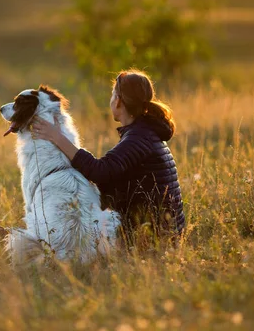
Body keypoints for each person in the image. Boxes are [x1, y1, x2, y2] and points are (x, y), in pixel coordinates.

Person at [31, 70, 185, 248]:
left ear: (118, 101)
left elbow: (100, 171)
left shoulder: (139, 137)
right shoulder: (144, 132)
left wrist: (57, 138)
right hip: (161, 232)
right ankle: (35, 239)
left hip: (153, 238)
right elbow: (109, 177)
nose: (111, 99)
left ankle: (38, 244)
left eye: (112, 94)